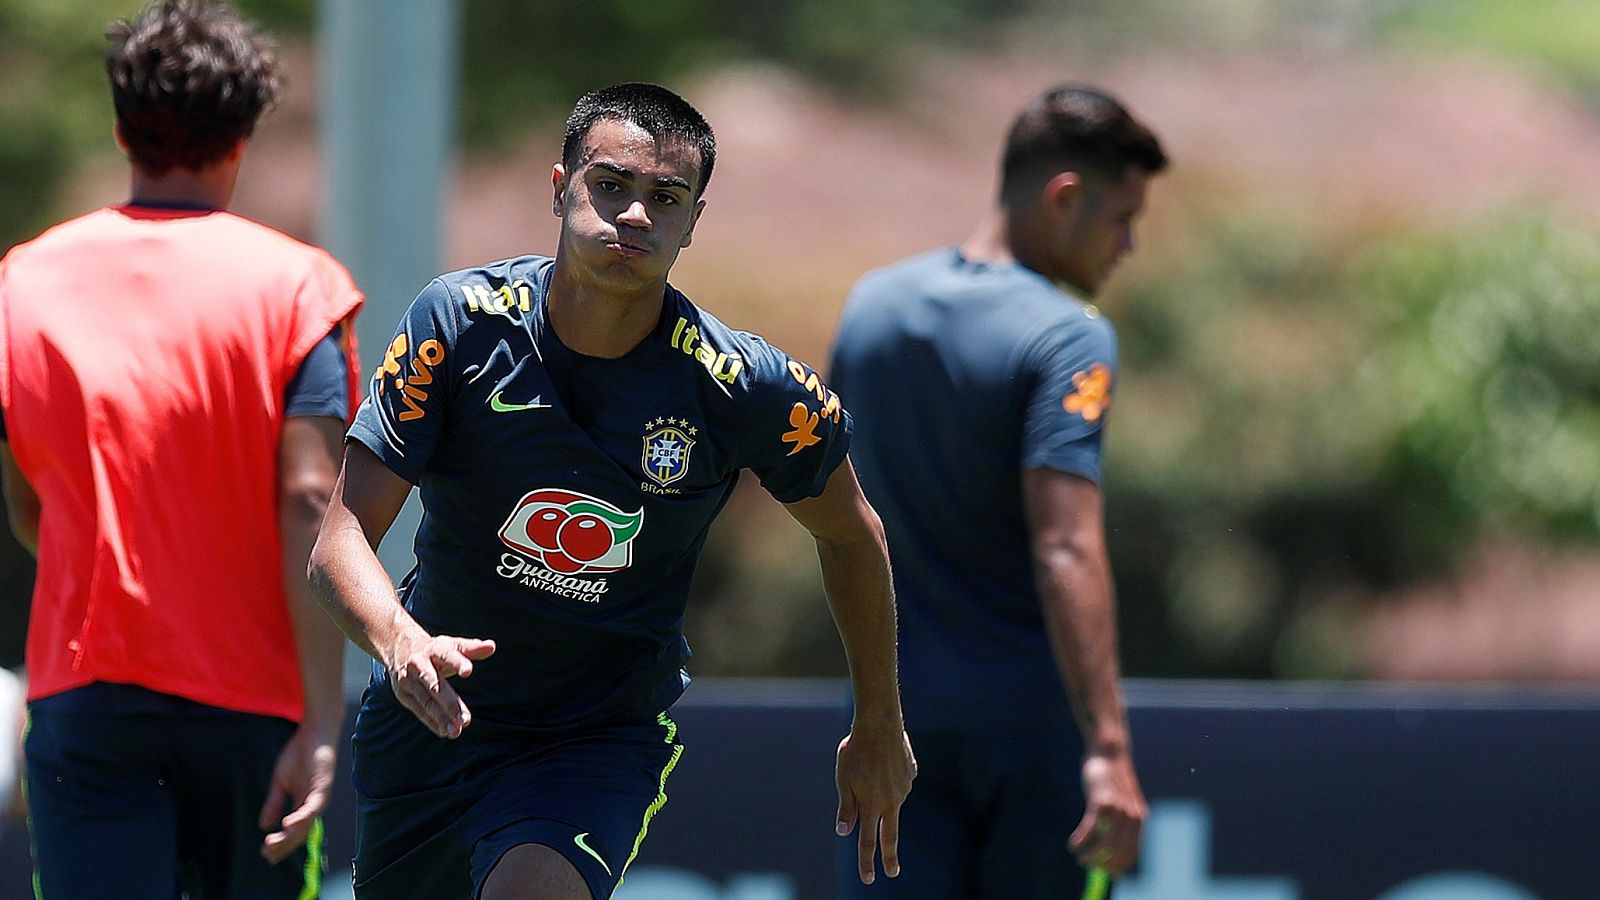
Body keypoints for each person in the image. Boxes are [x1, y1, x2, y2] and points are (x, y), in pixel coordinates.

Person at [307, 82, 916, 900]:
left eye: (666, 198)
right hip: (431, 719)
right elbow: (338, 539)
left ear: (694, 222)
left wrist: (878, 719)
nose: (635, 216)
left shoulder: (744, 387)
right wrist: (400, 641)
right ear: (560, 188)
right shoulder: (457, 323)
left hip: (594, 739)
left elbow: (851, 533)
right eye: (611, 186)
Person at [0, 1, 363, 896]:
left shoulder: (22, 282)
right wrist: (322, 716)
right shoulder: (299, 289)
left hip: (85, 699)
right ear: (242, 134)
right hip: (254, 711)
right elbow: (313, 498)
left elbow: (26, 502)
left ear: (122, 127)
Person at [828, 84, 1167, 898]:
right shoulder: (1069, 335)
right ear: (1064, 198)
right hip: (1032, 740)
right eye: (1123, 219)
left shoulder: (870, 308)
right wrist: (1110, 751)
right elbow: (1066, 545)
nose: (1127, 245)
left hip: (890, 731)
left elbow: (836, 523)